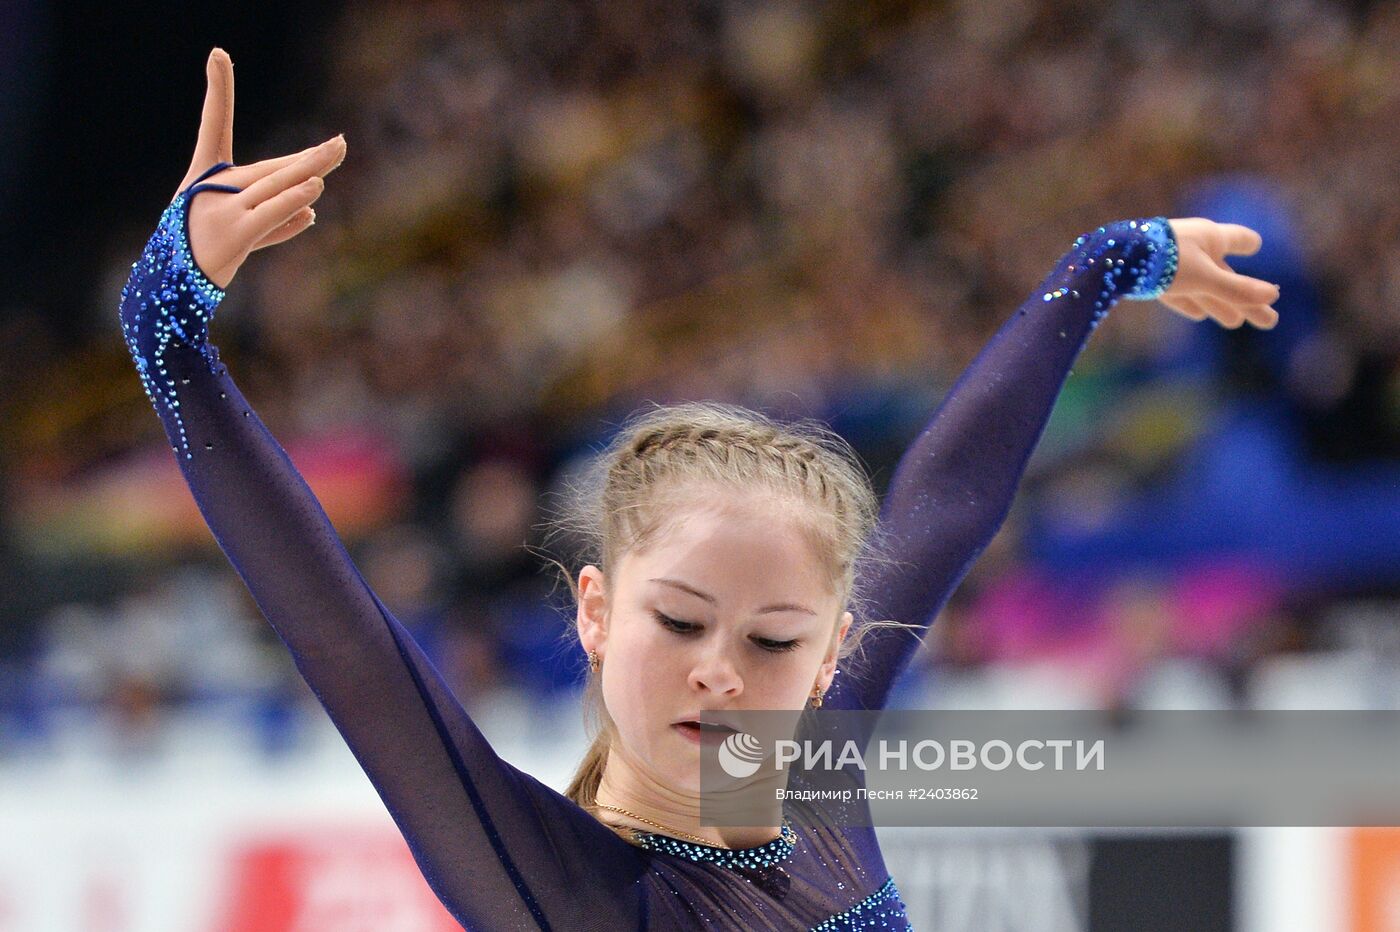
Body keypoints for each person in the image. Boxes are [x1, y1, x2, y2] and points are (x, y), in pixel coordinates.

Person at [116, 48, 1281, 931]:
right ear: (592, 608)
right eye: (677, 618)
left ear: (830, 656)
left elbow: (945, 503)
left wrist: (1105, 262)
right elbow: (347, 641)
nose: (720, 668)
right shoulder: (557, 884)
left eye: (774, 640)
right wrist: (166, 323)